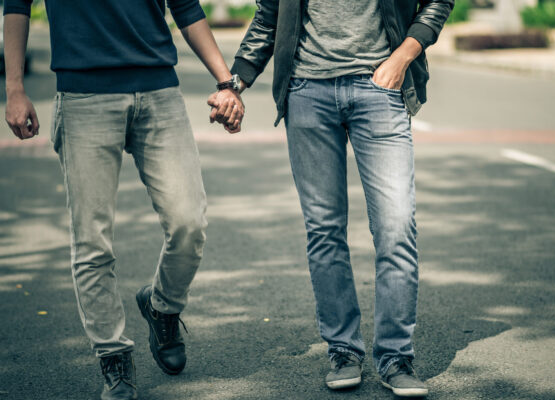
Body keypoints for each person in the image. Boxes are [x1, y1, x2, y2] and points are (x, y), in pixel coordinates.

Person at [209, 0, 452, 397]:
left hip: (379, 88)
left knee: (396, 227)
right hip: (307, 92)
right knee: (324, 229)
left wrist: (403, 56)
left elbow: (437, 1)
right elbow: (270, 17)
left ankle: (396, 356)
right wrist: (234, 83)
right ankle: (343, 350)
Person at [4, 1, 244, 399]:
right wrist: (14, 88)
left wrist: (226, 83)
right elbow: (17, 5)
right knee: (92, 242)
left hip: (159, 90)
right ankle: (114, 357)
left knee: (189, 222)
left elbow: (185, 6)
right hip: (83, 96)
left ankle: (162, 307)